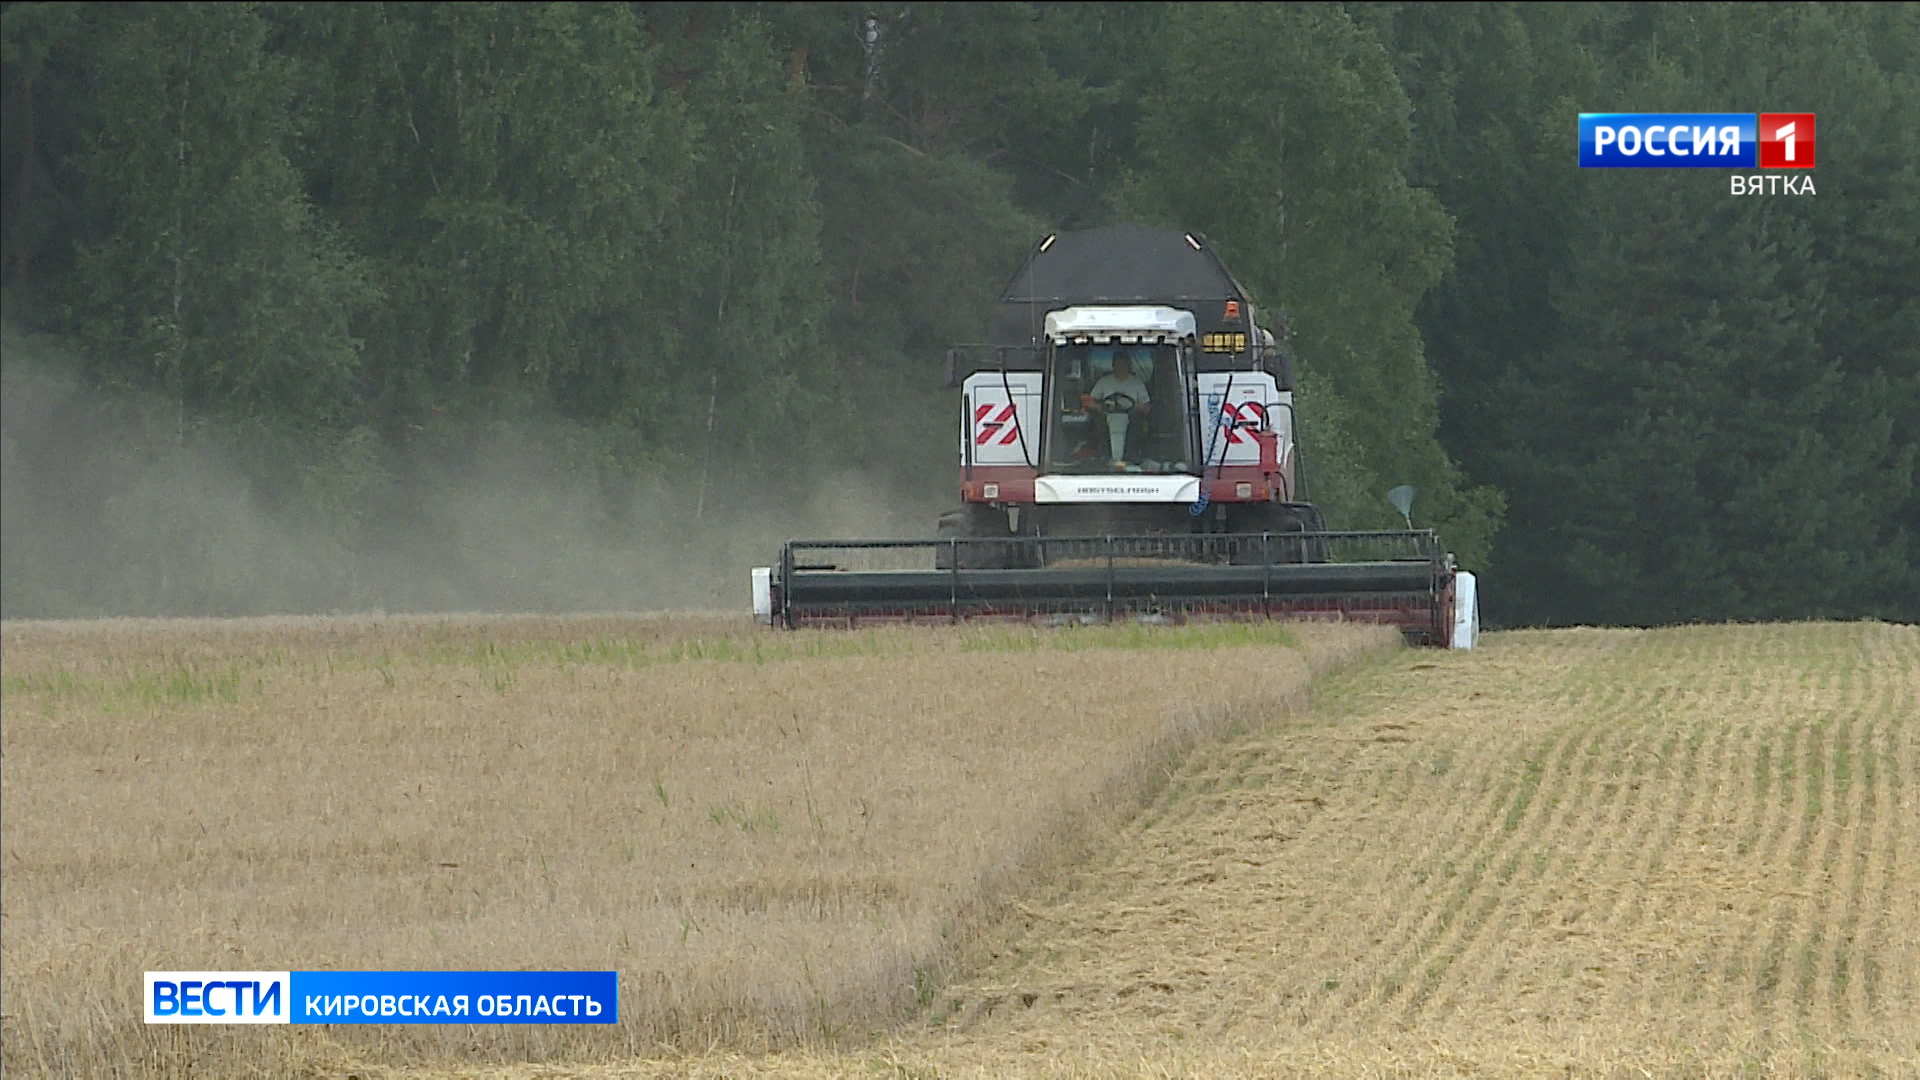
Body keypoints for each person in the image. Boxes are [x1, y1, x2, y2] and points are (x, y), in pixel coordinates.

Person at [1084, 351, 1151, 467]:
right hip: (1107, 417)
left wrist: (1136, 406)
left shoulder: (1136, 382)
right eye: (1118, 364)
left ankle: (1132, 457)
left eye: (1123, 364)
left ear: (1129, 365)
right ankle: (1104, 457)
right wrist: (1098, 407)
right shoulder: (1104, 381)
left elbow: (1147, 407)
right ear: (1113, 365)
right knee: (1098, 422)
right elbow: (1089, 401)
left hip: (1131, 418)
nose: (1121, 367)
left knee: (1136, 423)